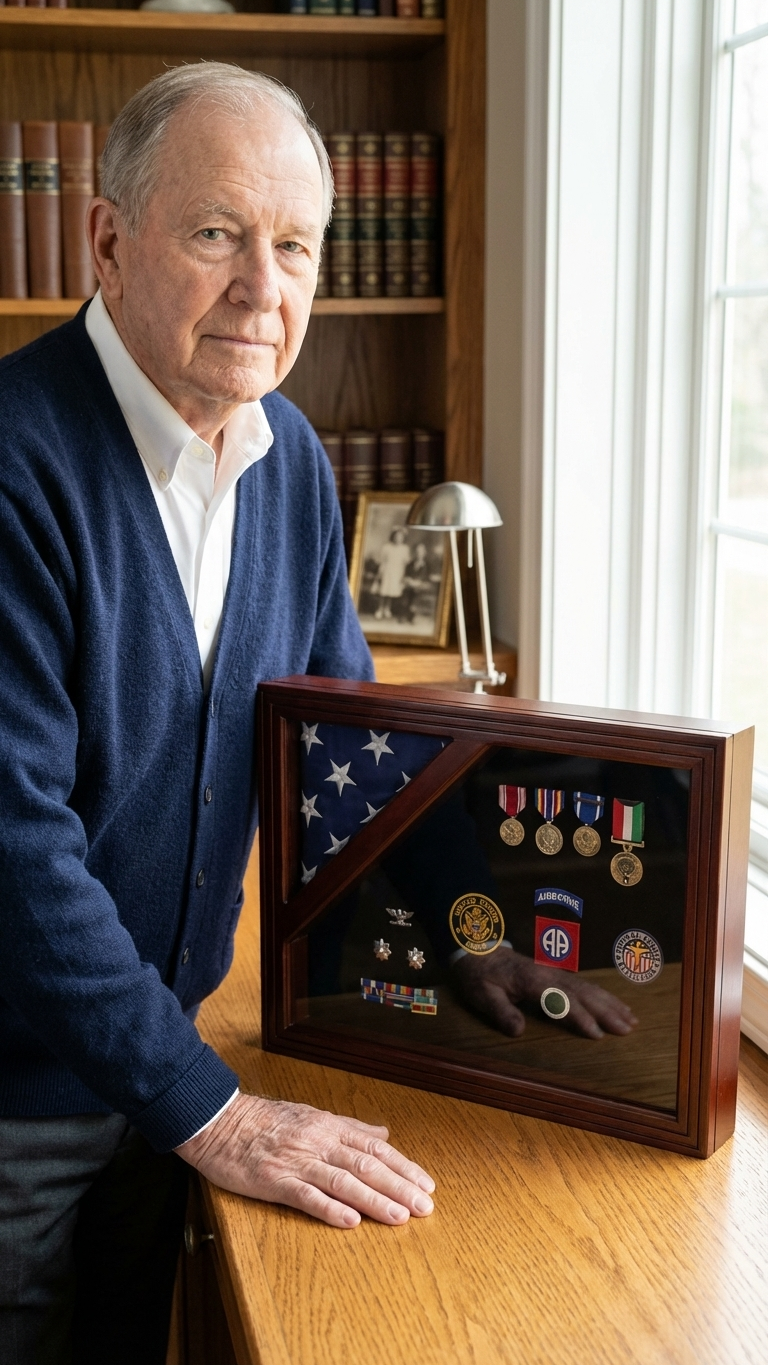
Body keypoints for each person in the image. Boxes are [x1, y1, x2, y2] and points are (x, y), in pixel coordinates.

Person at [0, 61, 636, 1364]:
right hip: (19, 1096)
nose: (262, 287)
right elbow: (15, 851)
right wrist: (217, 1115)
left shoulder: (289, 459)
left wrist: (475, 933)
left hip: (161, 1071)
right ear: (107, 241)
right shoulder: (16, 462)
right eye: (218, 233)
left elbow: (359, 749)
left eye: (295, 246)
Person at [373, 526, 411, 619]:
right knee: (383, 591)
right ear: (393, 536)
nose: (398, 538)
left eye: (400, 537)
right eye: (396, 536)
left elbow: (406, 563)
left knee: (391, 591)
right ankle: (379, 609)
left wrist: (404, 575)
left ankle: (387, 609)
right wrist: (380, 573)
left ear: (403, 538)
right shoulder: (387, 547)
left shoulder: (405, 548)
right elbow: (382, 561)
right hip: (387, 571)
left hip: (397, 572)